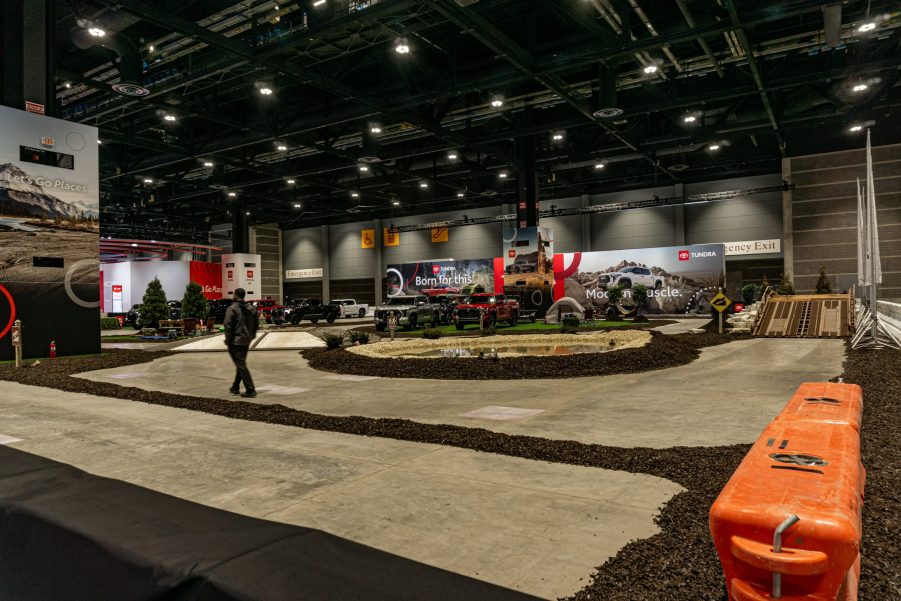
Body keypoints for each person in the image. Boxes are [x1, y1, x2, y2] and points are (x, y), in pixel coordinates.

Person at [224, 288, 259, 398]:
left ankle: (250, 389)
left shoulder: (232, 308)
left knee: (240, 365)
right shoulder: (252, 308)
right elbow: (256, 324)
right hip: (246, 340)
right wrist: (252, 335)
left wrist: (228, 340)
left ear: (235, 295)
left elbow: (227, 325)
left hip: (235, 341)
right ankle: (235, 387)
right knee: (241, 363)